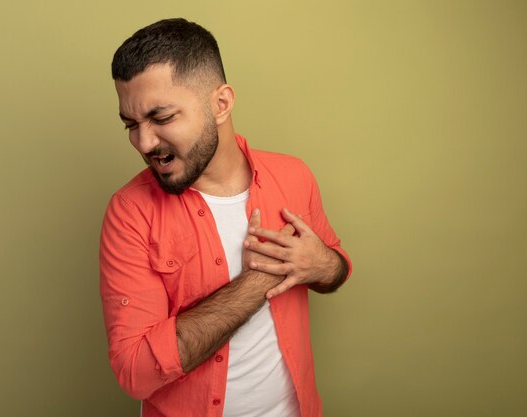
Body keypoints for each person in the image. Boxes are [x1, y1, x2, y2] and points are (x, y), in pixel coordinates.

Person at [99, 18, 352, 417]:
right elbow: (135, 372)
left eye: (162, 118)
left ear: (221, 104)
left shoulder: (294, 176)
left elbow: (336, 267)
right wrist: (260, 280)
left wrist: (323, 264)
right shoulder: (130, 213)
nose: (144, 143)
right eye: (131, 125)